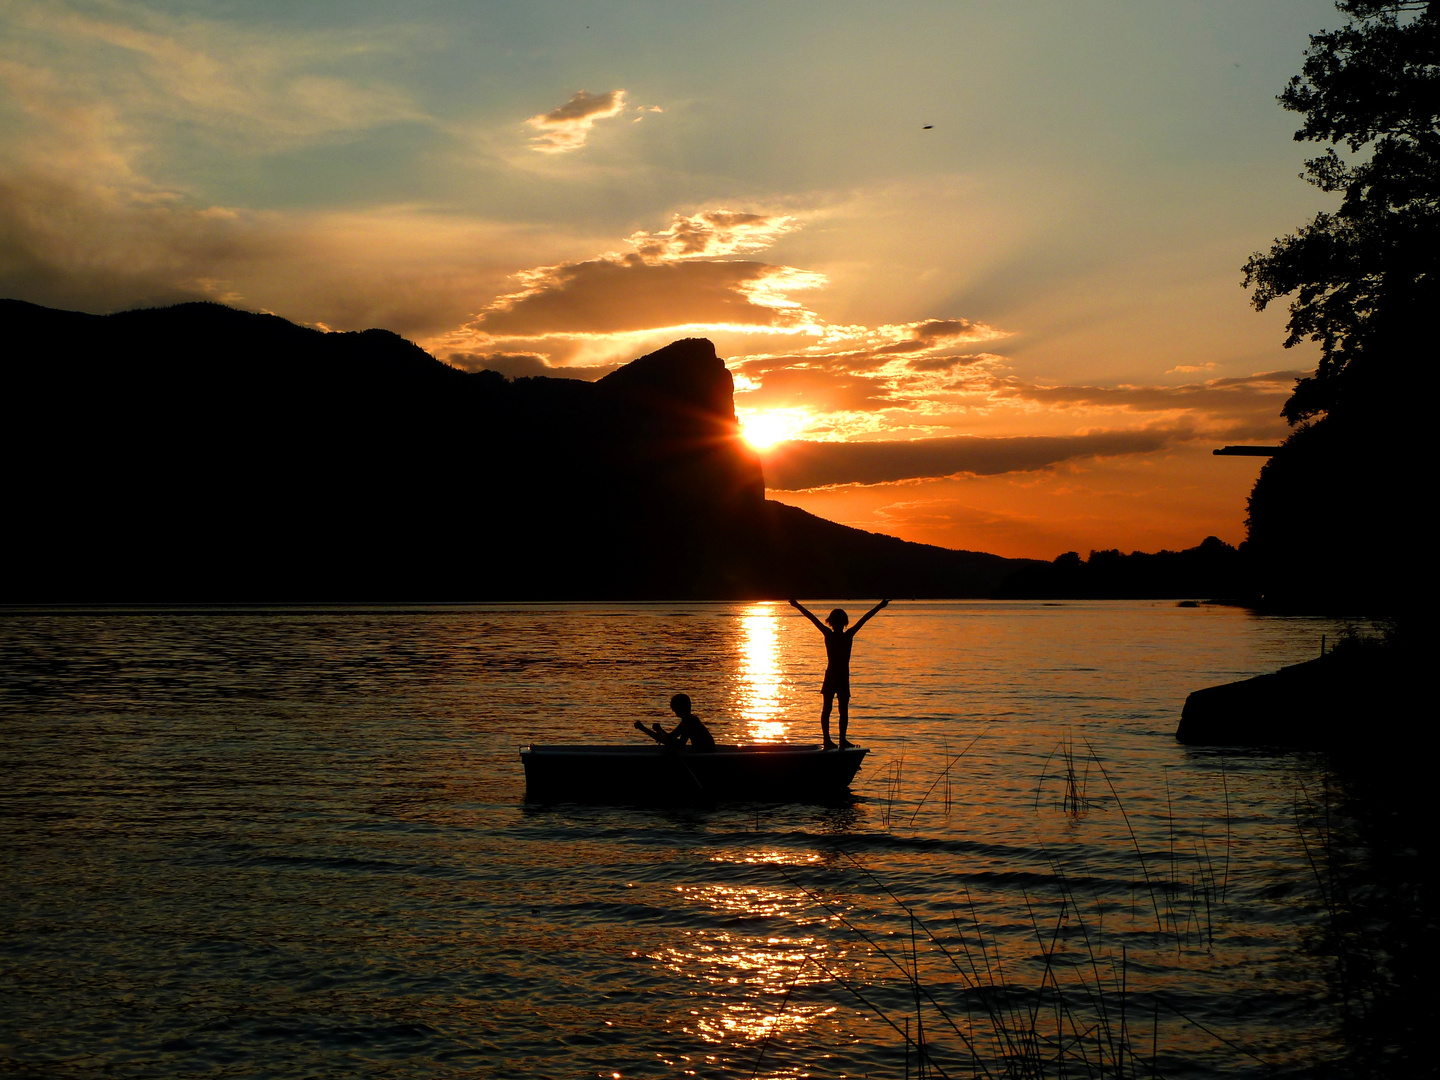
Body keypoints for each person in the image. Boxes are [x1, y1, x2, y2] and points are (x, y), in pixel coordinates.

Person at [789, 598, 889, 750]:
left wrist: (797, 605)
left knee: (830, 709)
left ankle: (832, 740)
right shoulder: (846, 635)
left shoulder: (832, 634)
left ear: (832, 622)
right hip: (839, 676)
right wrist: (880, 606)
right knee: (839, 710)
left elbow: (812, 618)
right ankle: (835, 740)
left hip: (834, 676)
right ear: (844, 622)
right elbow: (865, 618)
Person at [646, 693, 716, 753]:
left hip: (704, 752)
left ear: (682, 707)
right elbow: (671, 738)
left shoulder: (690, 721)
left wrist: (659, 730)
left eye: (674, 706)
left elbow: (680, 745)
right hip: (701, 752)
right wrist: (659, 730)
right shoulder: (687, 720)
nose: (673, 709)